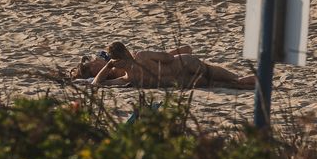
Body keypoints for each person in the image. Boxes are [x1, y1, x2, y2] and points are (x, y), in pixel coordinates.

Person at [91, 41, 255, 90]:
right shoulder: (142, 55)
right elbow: (168, 58)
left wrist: (108, 67)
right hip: (184, 64)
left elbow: (96, 83)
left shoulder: (129, 79)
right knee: (228, 77)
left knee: (223, 85)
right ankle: (258, 81)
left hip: (183, 82)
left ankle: (253, 87)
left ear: (114, 60)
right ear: (126, 50)